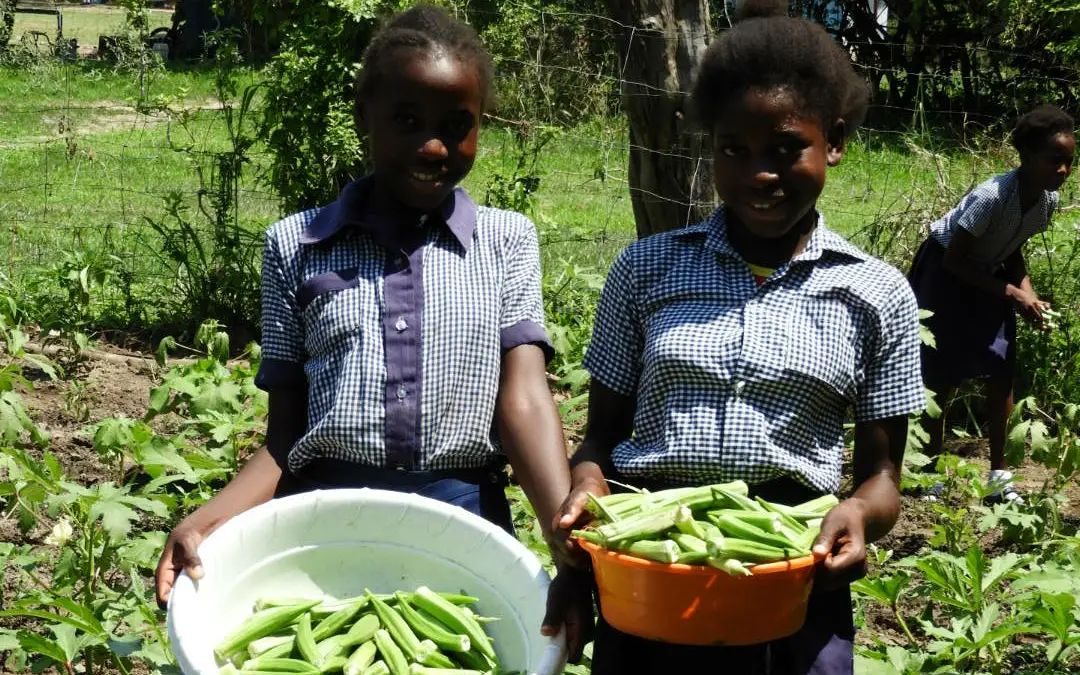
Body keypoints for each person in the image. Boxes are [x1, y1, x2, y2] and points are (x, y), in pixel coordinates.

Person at [541, 1, 926, 672]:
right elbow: (600, 437)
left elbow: (881, 477)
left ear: (833, 141)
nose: (759, 175)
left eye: (785, 149)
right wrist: (587, 493)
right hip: (653, 559)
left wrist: (860, 516)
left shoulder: (877, 292)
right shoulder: (647, 269)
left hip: (789, 566)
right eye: (733, 150)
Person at [155, 4, 573, 614]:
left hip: (463, 516)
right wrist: (208, 517)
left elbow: (525, 399)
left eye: (458, 125)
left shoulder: (505, 241)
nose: (434, 147)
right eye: (407, 120)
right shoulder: (293, 245)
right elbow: (286, 434)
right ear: (363, 120)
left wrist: (569, 543)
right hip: (323, 522)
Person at [908, 104, 1074, 503]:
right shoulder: (992, 196)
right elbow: (953, 259)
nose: (1063, 171)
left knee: (1001, 370)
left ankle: (999, 479)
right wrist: (1013, 293)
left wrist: (1028, 293)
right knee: (940, 374)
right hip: (945, 275)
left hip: (989, 272)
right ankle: (929, 471)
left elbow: (1012, 252)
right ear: (1028, 157)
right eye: (1054, 161)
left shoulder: (1045, 203)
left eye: (1070, 162)